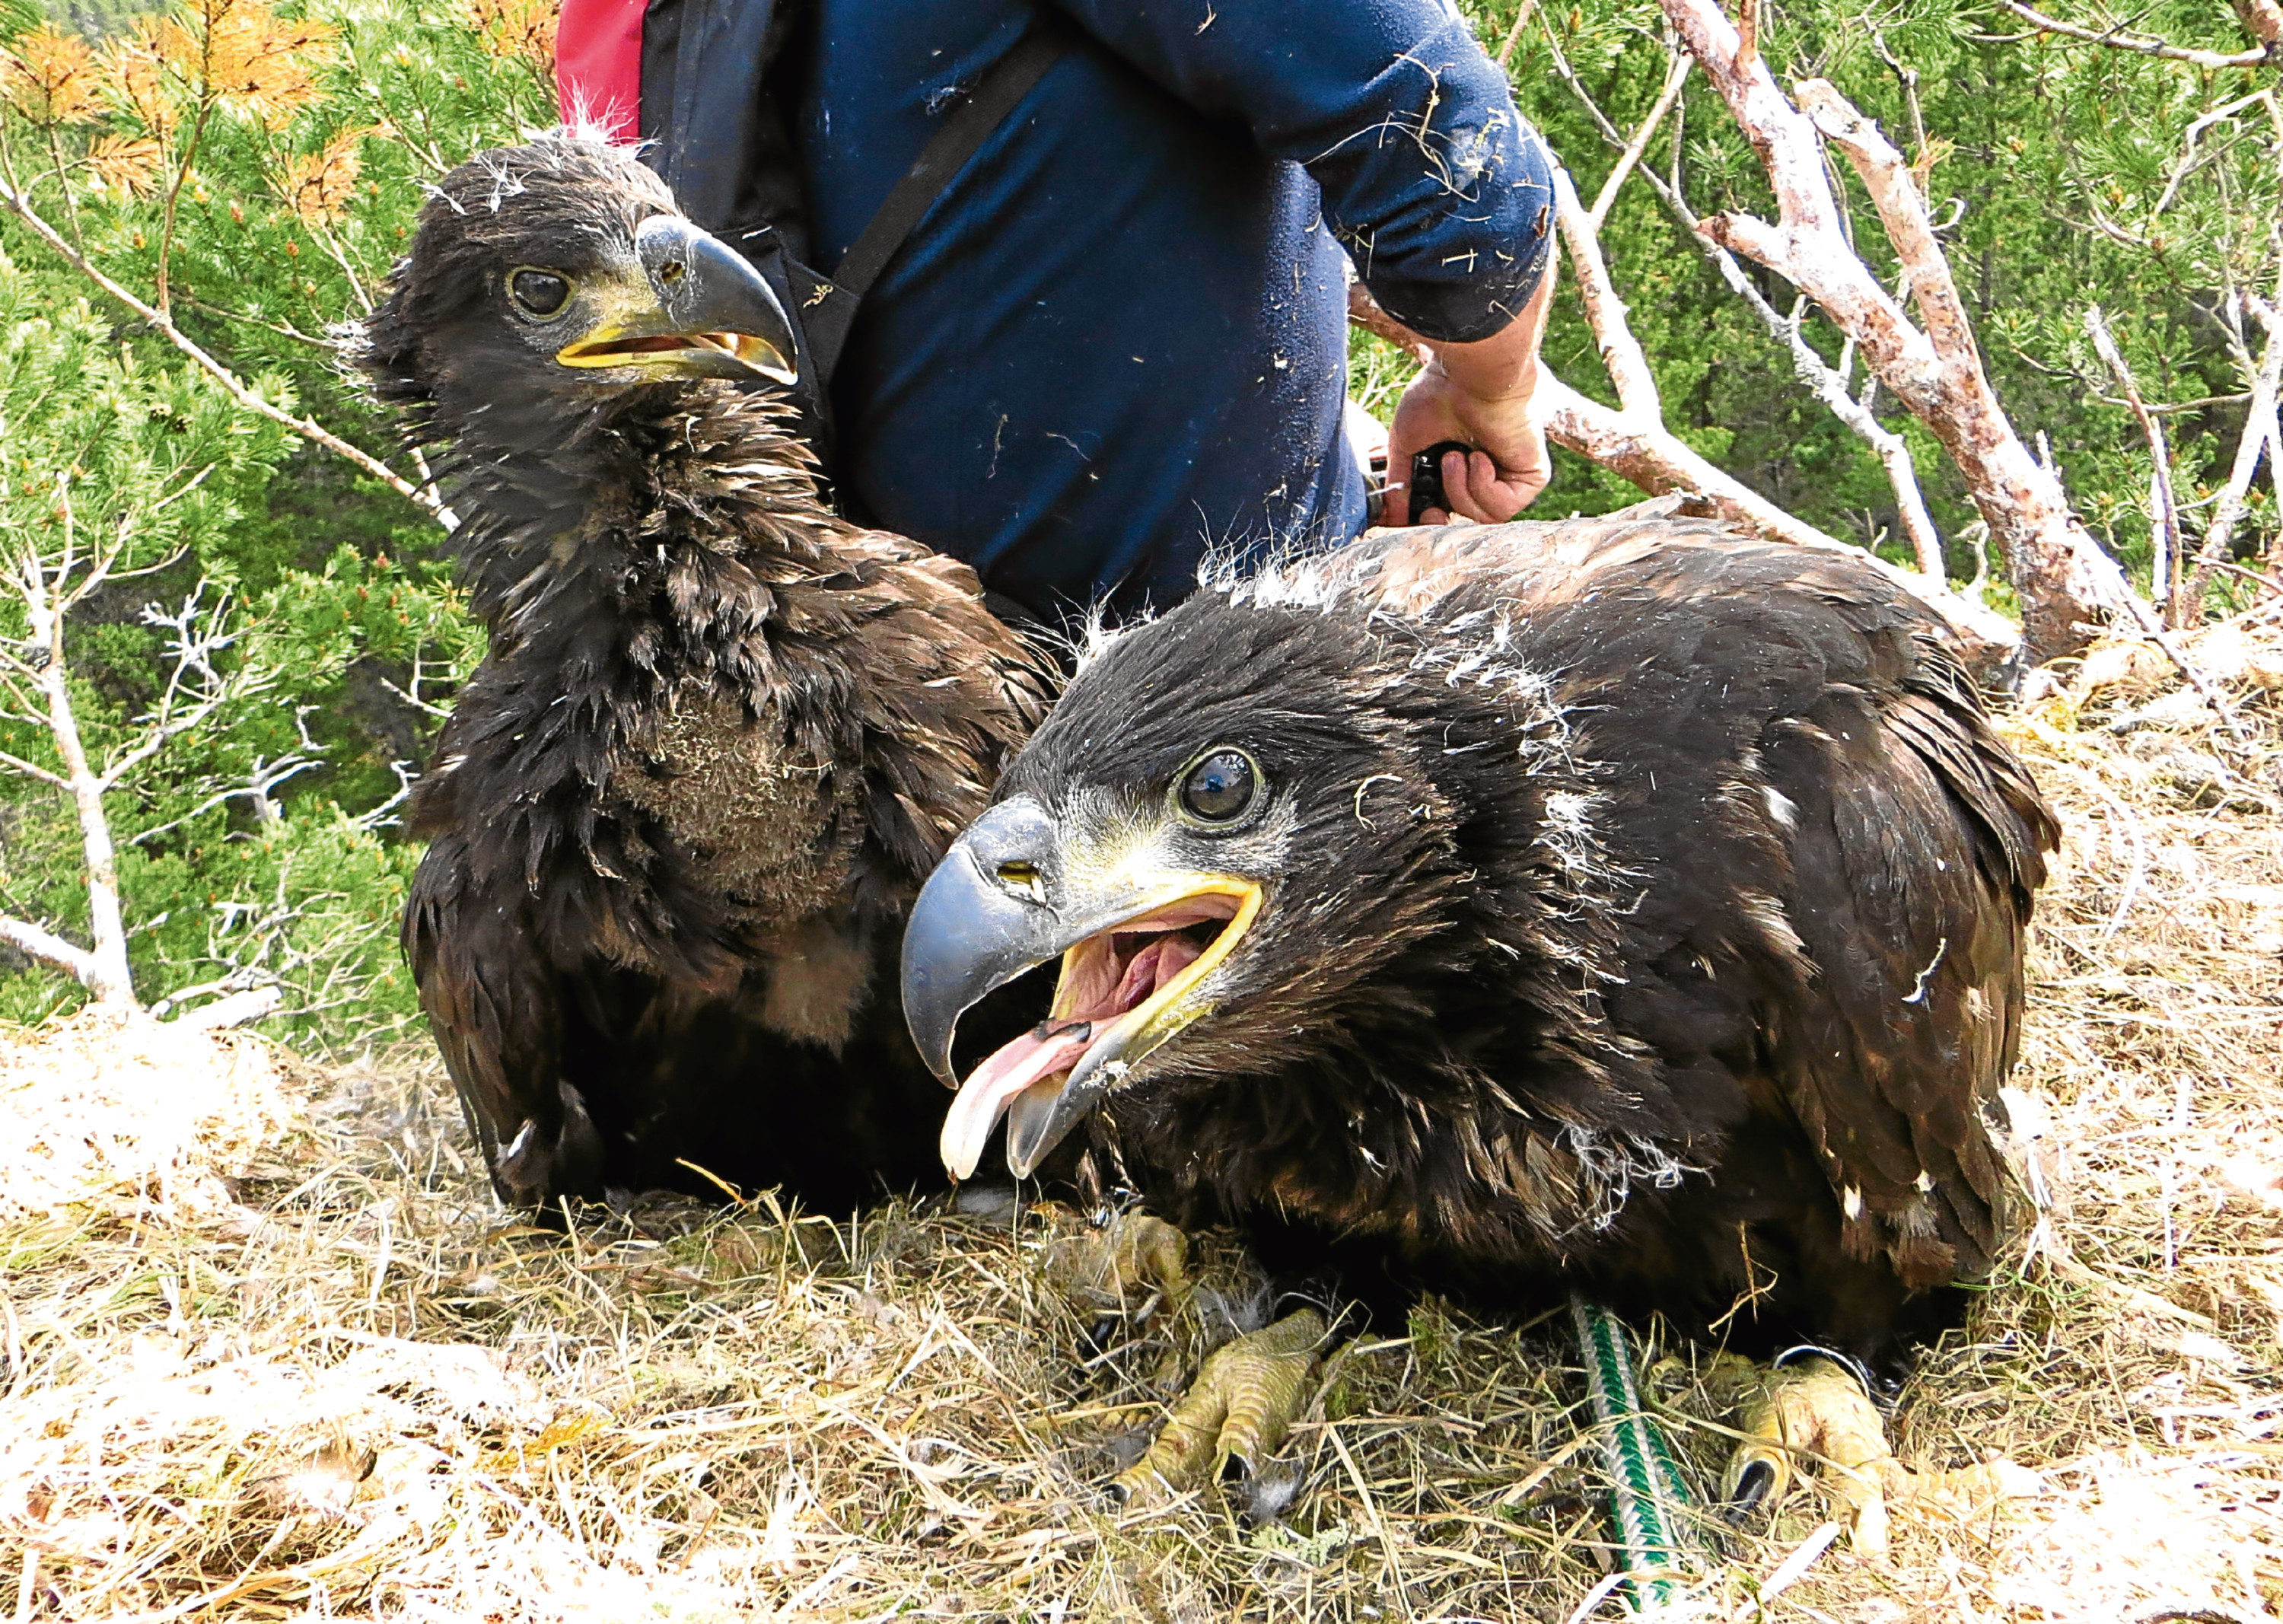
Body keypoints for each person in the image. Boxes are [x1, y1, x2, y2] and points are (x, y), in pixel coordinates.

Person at [556, 0, 1559, 625]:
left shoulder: (641, 29)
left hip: (910, 752)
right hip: (1221, 741)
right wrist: (1489, 389)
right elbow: (1462, 180)